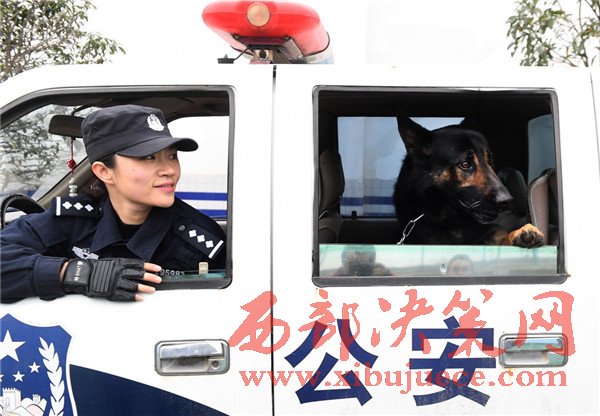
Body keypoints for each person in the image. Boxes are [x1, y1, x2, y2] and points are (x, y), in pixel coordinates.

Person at [0, 105, 226, 303]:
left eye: (172, 156)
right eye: (148, 157)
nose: (169, 170)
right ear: (104, 171)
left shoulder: (201, 241)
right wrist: (77, 273)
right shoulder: (70, 221)